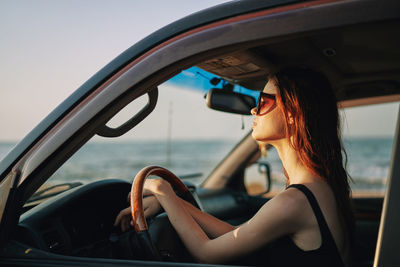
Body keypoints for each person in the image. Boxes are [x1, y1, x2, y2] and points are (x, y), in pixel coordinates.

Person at [114, 67, 353, 266]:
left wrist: (164, 191)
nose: (253, 110)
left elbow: (206, 252)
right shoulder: (320, 186)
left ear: (292, 113)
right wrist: (175, 203)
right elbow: (235, 234)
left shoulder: (293, 202)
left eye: (263, 101)